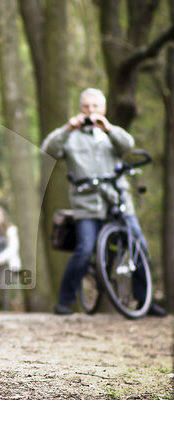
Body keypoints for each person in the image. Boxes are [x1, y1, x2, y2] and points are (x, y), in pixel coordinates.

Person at [42, 88, 166, 317]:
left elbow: (128, 146)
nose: (90, 111)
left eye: (95, 107)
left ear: (104, 109)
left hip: (118, 199)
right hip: (86, 203)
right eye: (86, 107)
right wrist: (68, 127)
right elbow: (49, 149)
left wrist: (108, 127)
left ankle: (144, 301)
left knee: (138, 245)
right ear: (80, 109)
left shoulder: (111, 134)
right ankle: (65, 301)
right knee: (84, 248)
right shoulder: (70, 137)